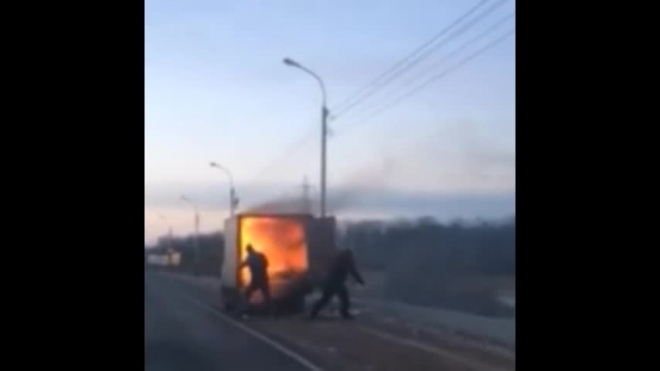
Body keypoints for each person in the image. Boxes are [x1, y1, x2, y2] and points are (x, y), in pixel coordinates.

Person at [310, 247, 365, 320]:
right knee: (341, 298)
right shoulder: (346, 260)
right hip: (336, 283)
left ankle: (314, 313)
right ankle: (344, 313)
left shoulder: (338, 259)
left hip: (333, 282)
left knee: (327, 299)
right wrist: (360, 281)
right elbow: (353, 271)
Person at [240, 244, 271, 309]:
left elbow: (244, 264)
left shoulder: (250, 257)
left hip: (256, 278)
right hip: (264, 277)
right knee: (266, 293)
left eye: (247, 251)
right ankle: (269, 308)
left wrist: (237, 267)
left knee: (248, 292)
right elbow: (267, 264)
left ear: (248, 250)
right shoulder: (260, 255)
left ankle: (245, 306)